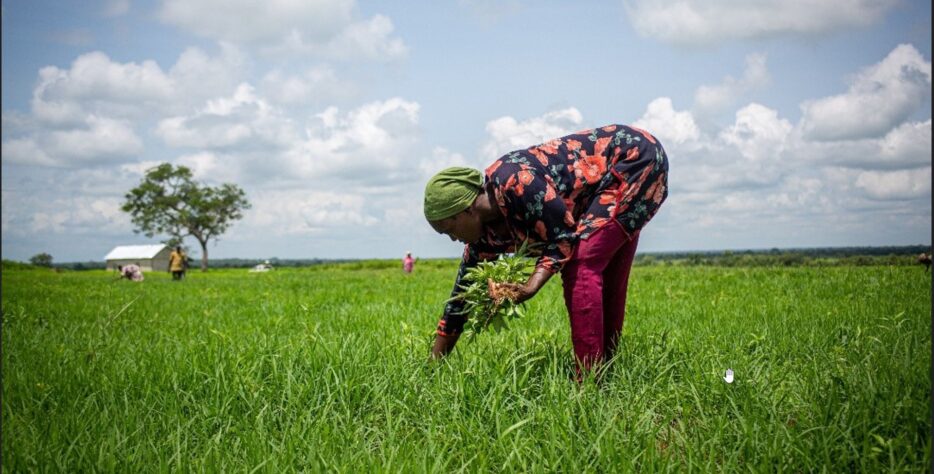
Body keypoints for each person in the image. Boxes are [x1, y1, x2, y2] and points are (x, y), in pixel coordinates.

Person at [423, 124, 668, 376]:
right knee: (606, 275)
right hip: (613, 180)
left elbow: (562, 237)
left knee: (581, 264)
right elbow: (459, 300)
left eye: (448, 229)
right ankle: (604, 371)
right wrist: (433, 369)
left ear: (465, 209)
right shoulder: (483, 239)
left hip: (635, 159)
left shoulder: (515, 182)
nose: (452, 239)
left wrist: (530, 286)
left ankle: (588, 382)